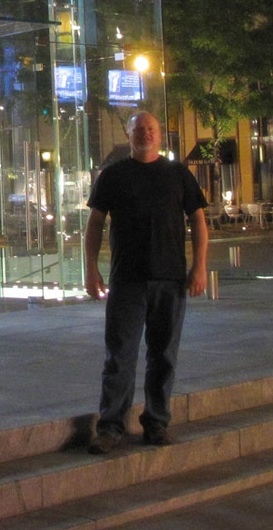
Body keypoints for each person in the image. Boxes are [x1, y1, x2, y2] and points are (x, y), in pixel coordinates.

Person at [84, 111, 208, 454]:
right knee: (120, 356)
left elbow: (198, 220)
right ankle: (111, 427)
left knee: (163, 355)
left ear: (159, 134)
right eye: (139, 129)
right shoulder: (113, 175)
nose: (145, 134)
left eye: (151, 128)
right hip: (127, 280)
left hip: (170, 278)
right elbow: (94, 223)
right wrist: (91, 268)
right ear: (129, 134)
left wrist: (200, 267)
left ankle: (156, 422)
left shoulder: (178, 174)